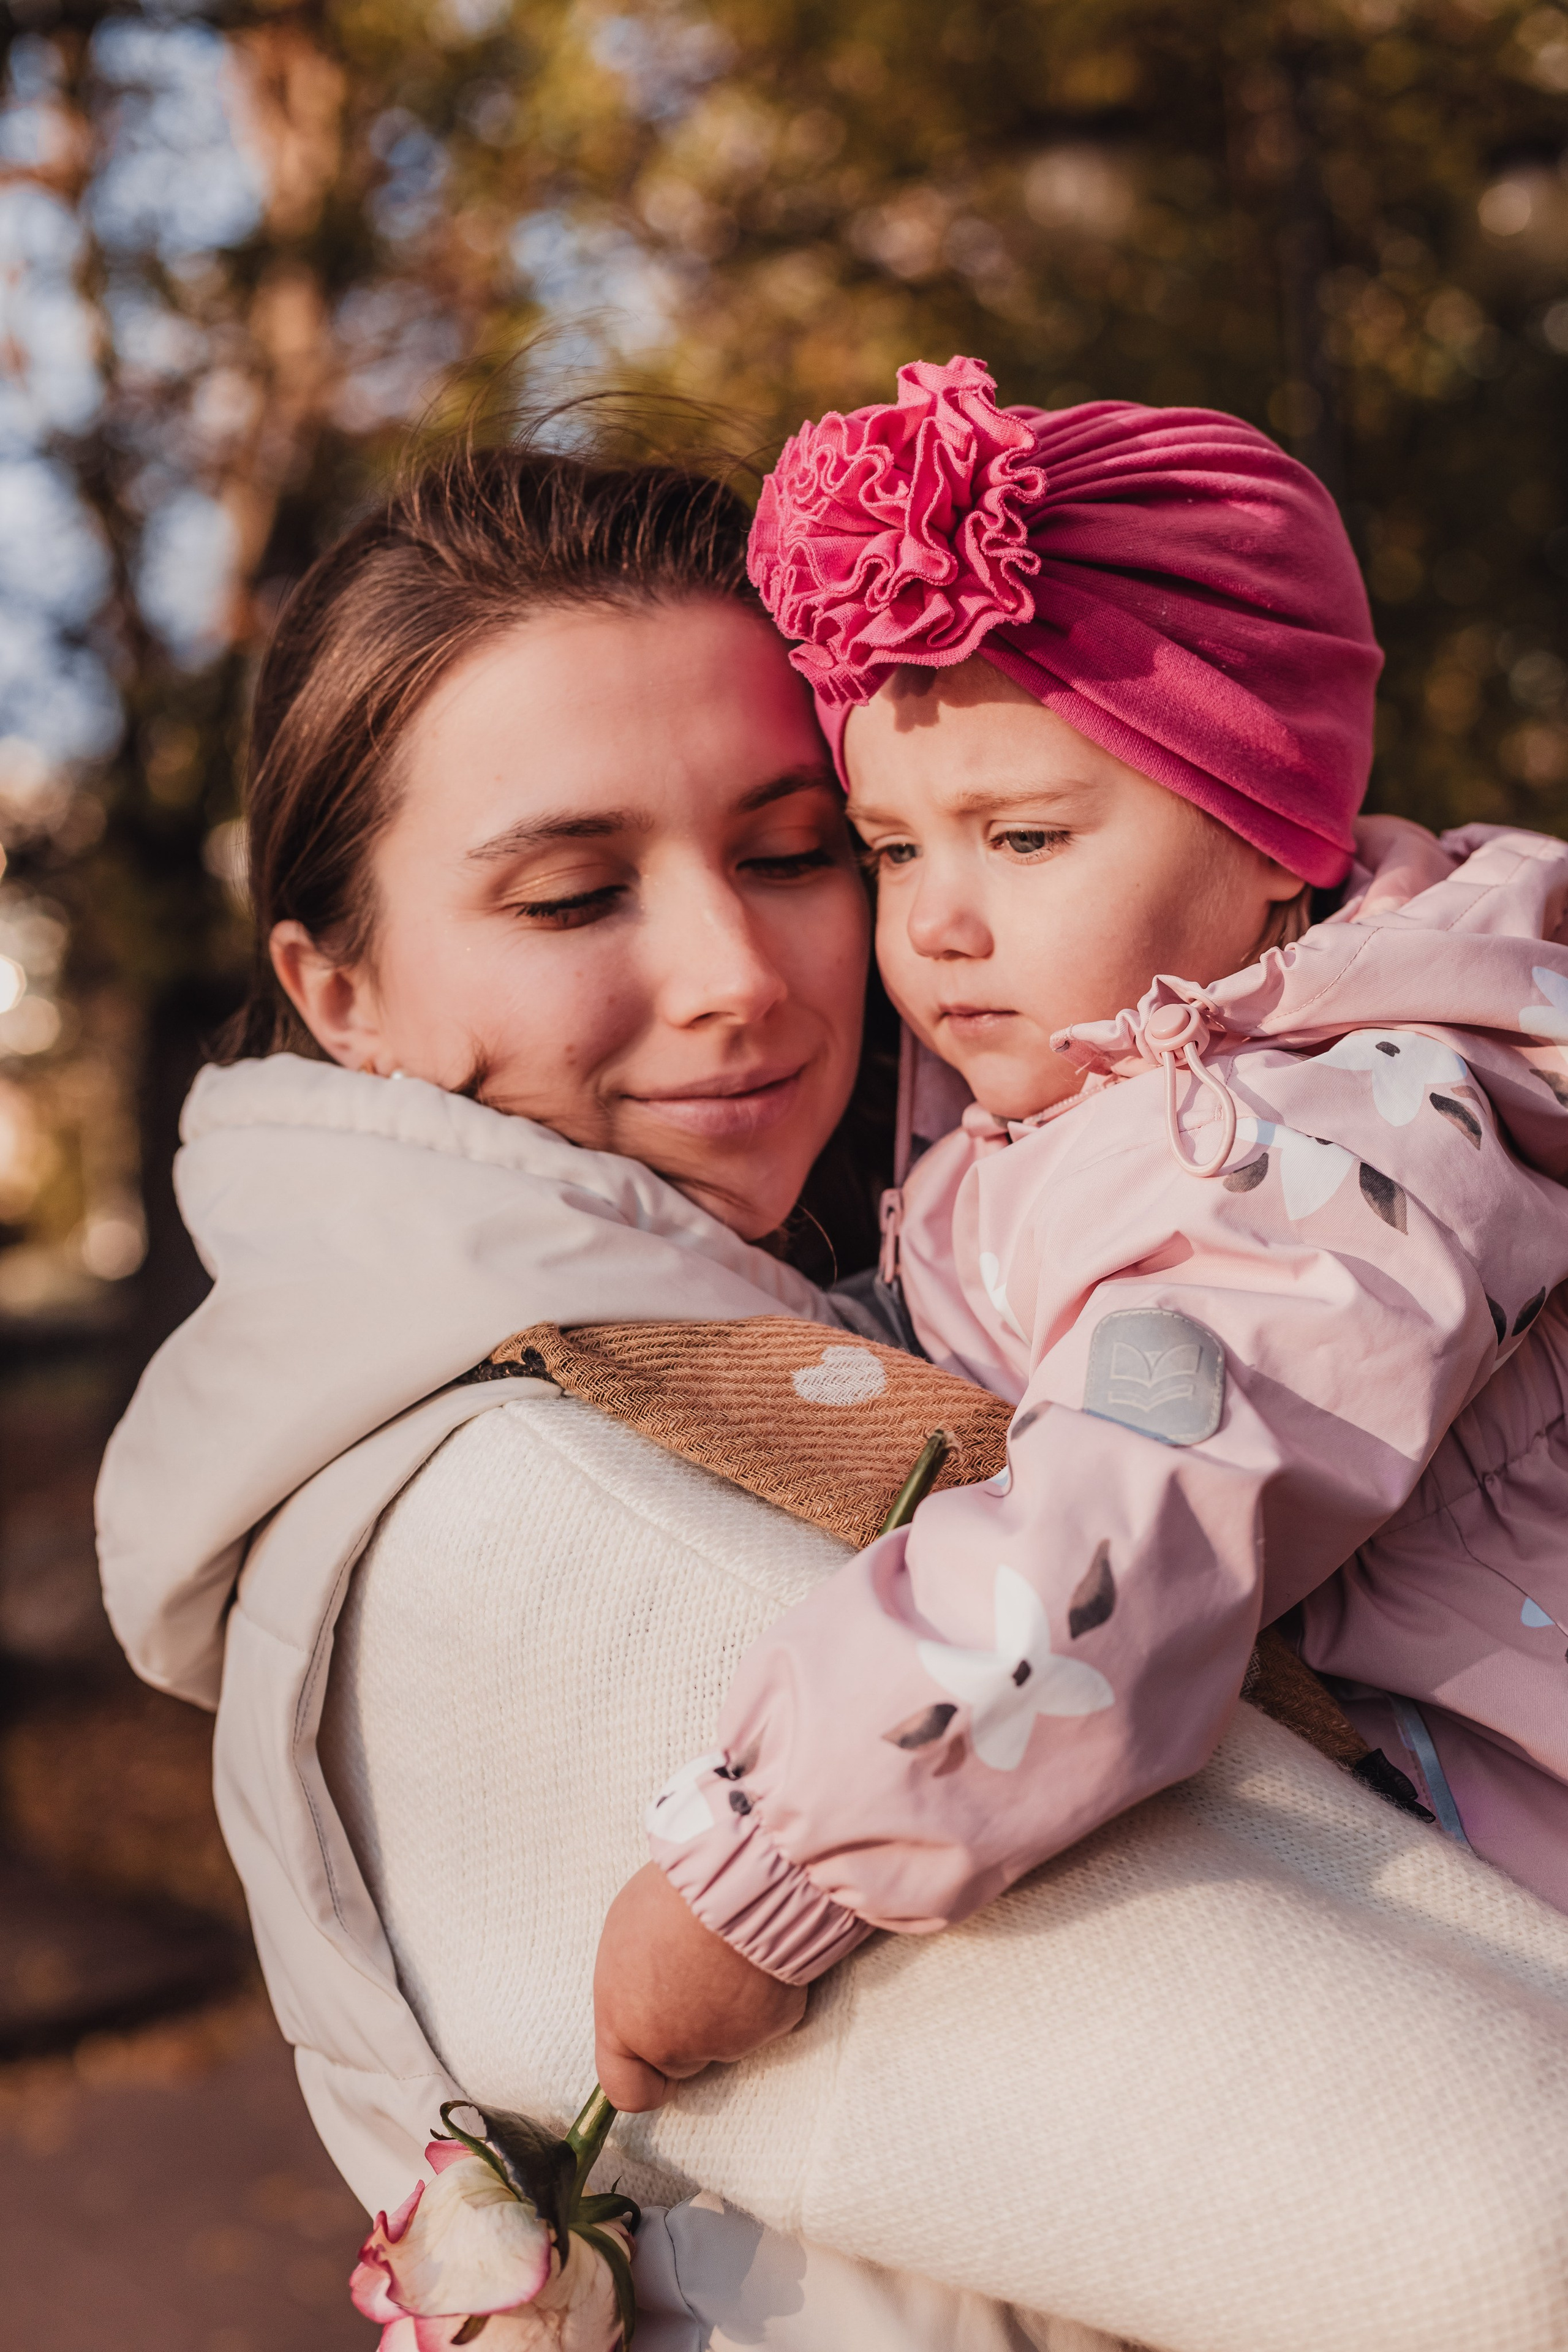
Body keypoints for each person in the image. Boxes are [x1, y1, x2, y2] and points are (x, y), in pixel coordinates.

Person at [96, 421, 1568, 2352]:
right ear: (335, 987)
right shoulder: (560, 1506)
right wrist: (772, 1865)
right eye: (567, 896)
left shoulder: (1117, 1180)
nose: (745, 975)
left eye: (792, 853)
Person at [595, 358, 1568, 2101]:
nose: (941, 924)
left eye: (1027, 833)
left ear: (1276, 835)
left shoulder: (1322, 1132)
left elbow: (1141, 1504)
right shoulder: (1081, 1096)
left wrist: (772, 1867)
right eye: (890, 848)